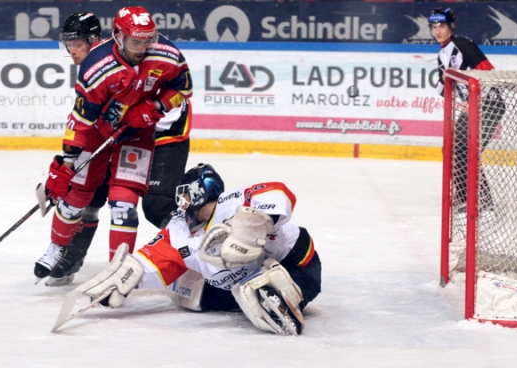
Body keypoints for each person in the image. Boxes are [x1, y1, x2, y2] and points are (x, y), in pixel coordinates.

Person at [66, 163, 322, 335]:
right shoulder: (179, 229)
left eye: (185, 195)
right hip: (230, 286)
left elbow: (280, 193)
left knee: (258, 291)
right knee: (199, 298)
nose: (182, 202)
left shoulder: (234, 201)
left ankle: (283, 297)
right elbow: (151, 263)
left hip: (296, 264)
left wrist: (252, 224)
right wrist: (126, 276)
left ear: (201, 191)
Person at [34, 6, 193, 284]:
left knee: (125, 204)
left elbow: (184, 87)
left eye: (147, 40)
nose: (143, 47)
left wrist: (152, 108)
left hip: (143, 134)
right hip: (100, 134)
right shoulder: (97, 67)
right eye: (136, 41)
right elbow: (82, 119)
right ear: (118, 37)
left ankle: (117, 271)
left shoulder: (165, 54)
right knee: (78, 197)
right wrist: (66, 162)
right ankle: (61, 250)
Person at [430, 7, 503, 211]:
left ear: (450, 27)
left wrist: (472, 101)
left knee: (466, 148)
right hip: (474, 108)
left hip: (490, 104)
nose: (437, 31)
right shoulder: (442, 54)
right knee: (452, 148)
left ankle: (481, 200)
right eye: (434, 27)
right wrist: (443, 88)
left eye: (442, 26)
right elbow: (447, 86)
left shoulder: (463, 44)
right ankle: (465, 196)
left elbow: (488, 72)